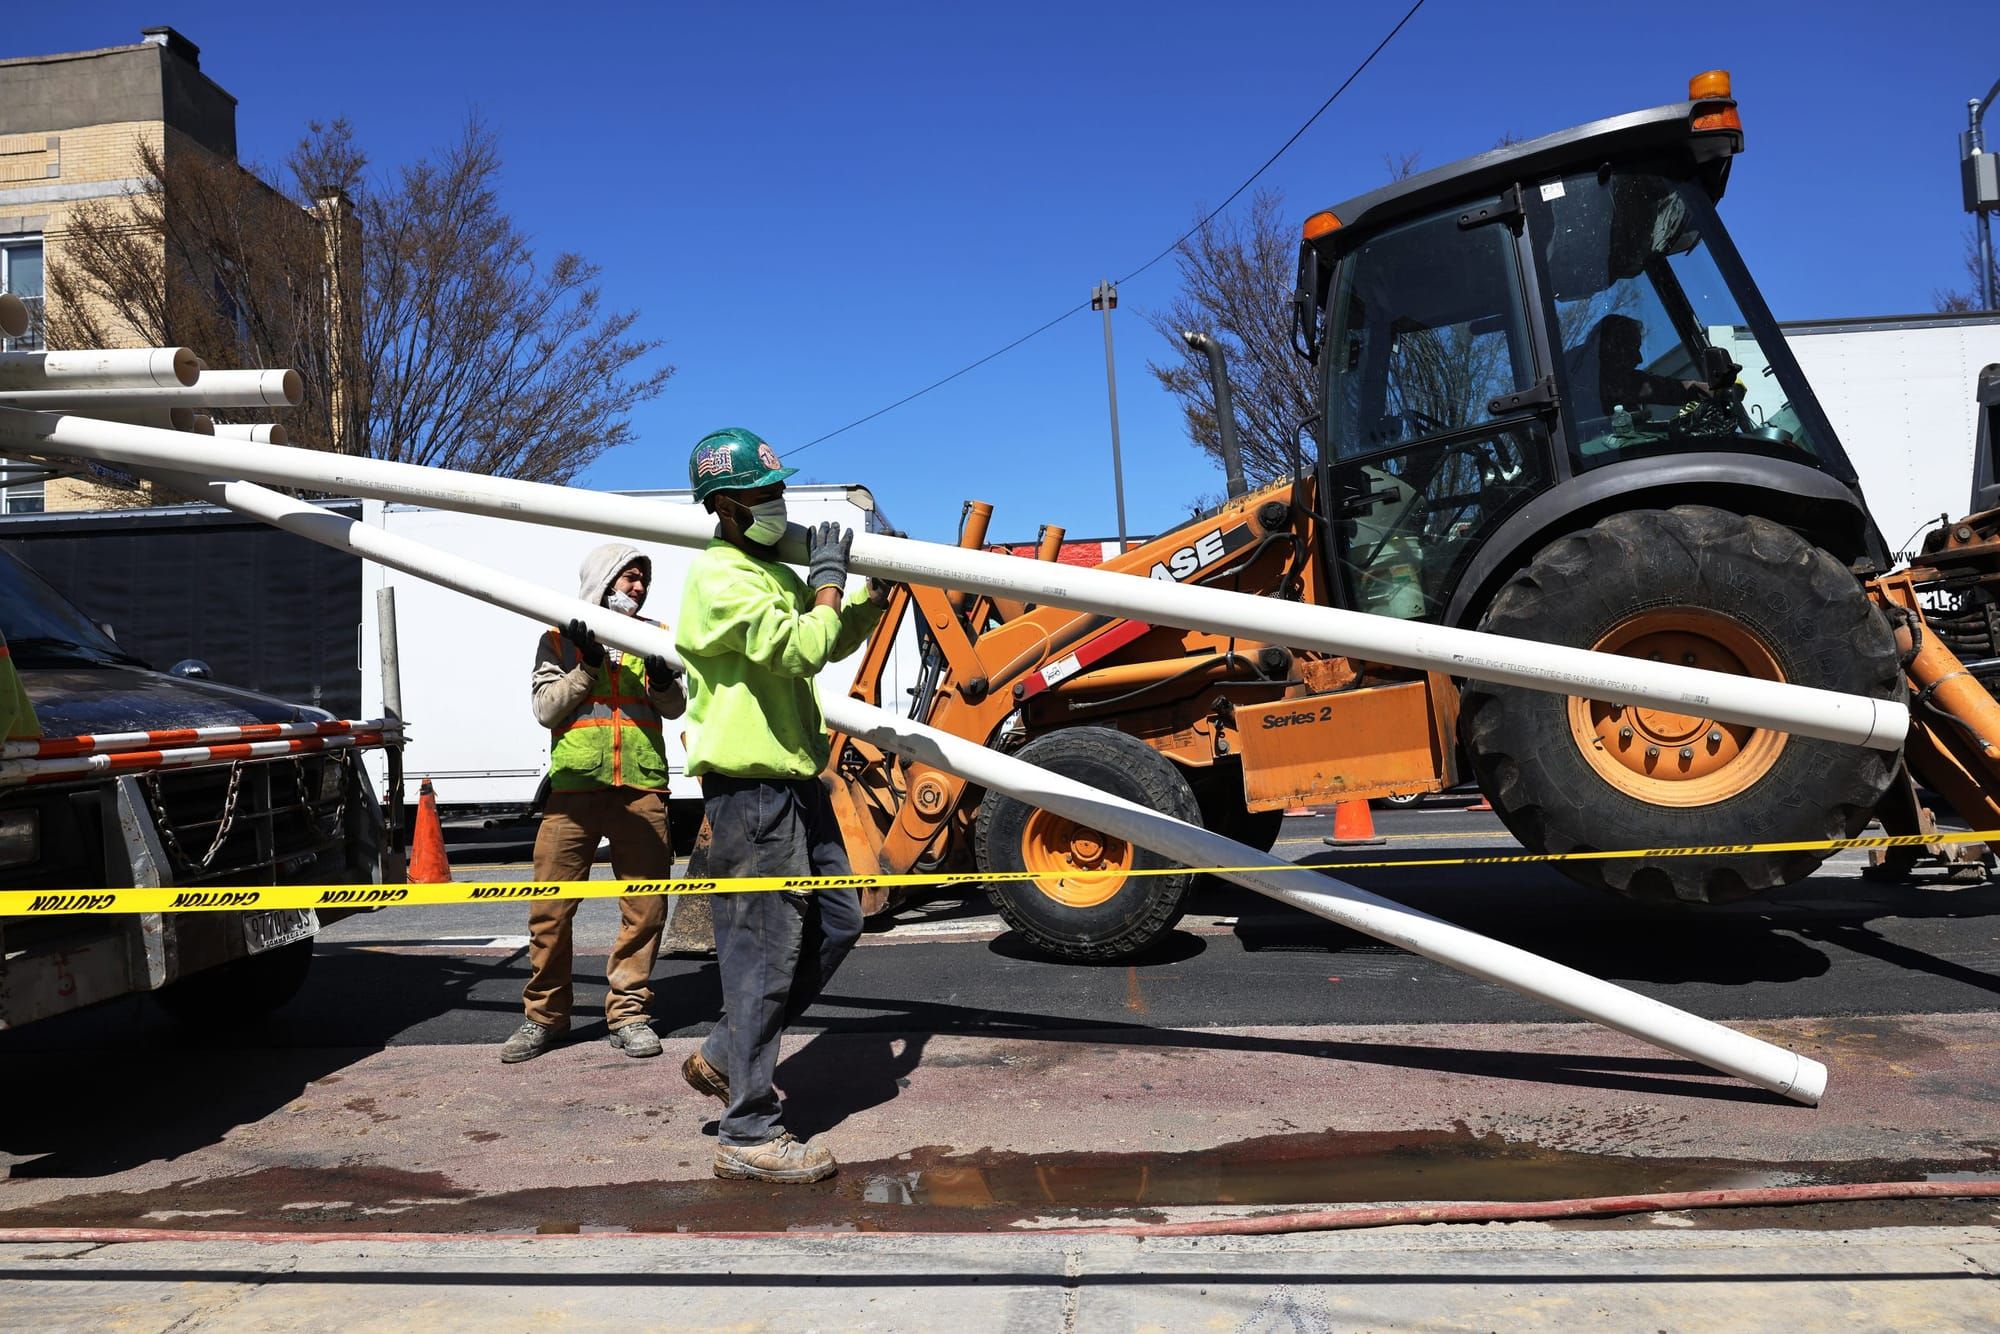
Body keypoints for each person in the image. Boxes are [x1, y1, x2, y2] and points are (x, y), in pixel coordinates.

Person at [673, 426, 892, 1184]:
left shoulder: (767, 570)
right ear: (726, 506)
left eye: (780, 492)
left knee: (841, 918)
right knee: (762, 956)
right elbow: (799, 648)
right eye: (764, 495)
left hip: (796, 783)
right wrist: (829, 584)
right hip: (751, 791)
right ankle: (749, 1132)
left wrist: (867, 599)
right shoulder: (719, 577)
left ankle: (729, 1053)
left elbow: (825, 635)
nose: (778, 505)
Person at [500, 544, 686, 1064]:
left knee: (645, 908)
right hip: (574, 791)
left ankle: (629, 1014)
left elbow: (674, 708)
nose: (638, 588)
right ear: (603, 580)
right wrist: (585, 667)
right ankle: (545, 1018)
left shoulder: (656, 636)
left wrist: (666, 681)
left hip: (642, 789)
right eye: (629, 578)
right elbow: (545, 708)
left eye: (642, 581)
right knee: (550, 911)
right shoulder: (558, 638)